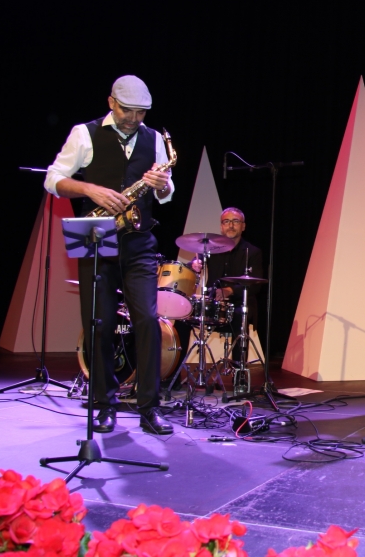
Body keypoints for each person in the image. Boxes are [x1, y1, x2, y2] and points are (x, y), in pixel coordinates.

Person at [45, 75, 176, 435]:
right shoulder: (84, 133)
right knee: (99, 324)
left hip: (140, 241)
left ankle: (150, 407)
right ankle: (104, 404)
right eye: (128, 111)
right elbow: (53, 178)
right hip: (98, 237)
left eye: (141, 112)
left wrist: (163, 185)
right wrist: (89, 189)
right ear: (111, 103)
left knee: (148, 322)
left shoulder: (153, 138)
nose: (135, 119)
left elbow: (167, 193)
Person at [191, 208, 264, 363]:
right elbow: (193, 263)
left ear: (243, 226)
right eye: (226, 221)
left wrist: (230, 290)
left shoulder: (252, 252)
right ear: (221, 226)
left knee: (240, 320)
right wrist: (194, 264)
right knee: (183, 319)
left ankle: (239, 376)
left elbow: (256, 284)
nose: (231, 225)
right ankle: (173, 377)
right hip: (213, 307)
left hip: (238, 306)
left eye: (235, 221)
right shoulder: (211, 249)